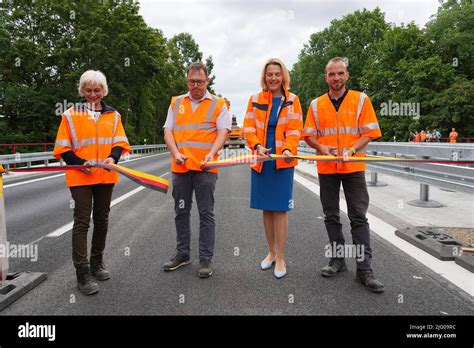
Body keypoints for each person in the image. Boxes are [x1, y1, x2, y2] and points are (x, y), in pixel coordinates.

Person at [302, 57, 384, 293]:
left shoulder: (361, 100)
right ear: (326, 77)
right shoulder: (316, 104)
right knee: (331, 215)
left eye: (340, 73)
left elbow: (370, 132)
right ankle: (337, 261)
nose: (336, 78)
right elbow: (308, 134)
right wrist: (321, 148)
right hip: (327, 167)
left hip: (353, 166)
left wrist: (351, 149)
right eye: (331, 74)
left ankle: (364, 269)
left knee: (358, 217)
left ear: (347, 75)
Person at [53, 70, 131, 295]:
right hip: (80, 175)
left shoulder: (113, 115)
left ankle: (97, 262)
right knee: (82, 221)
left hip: (105, 174)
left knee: (102, 219)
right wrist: (80, 162)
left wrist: (112, 158)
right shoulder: (70, 115)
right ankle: (82, 271)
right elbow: (63, 147)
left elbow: (119, 142)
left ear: (104, 91)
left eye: (97, 90)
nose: (93, 94)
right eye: (88, 90)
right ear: (82, 91)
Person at [163, 61, 231, 278]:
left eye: (200, 82)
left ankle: (205, 259)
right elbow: (168, 131)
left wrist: (211, 154)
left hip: (205, 169)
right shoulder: (176, 103)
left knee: (206, 213)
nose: (196, 86)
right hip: (181, 167)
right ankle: (182, 254)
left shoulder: (219, 104)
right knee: (181, 211)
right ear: (187, 81)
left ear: (207, 80)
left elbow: (223, 133)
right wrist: (175, 153)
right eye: (192, 81)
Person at [243, 58, 303, 279]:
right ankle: (270, 252)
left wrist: (288, 149)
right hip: (261, 157)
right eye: (270, 74)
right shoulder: (255, 99)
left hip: (283, 158)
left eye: (277, 74)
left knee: (280, 208)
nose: (274, 78)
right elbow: (248, 127)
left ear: (283, 76)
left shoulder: (293, 100)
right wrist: (257, 146)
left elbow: (296, 129)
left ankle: (281, 257)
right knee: (267, 208)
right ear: (264, 76)